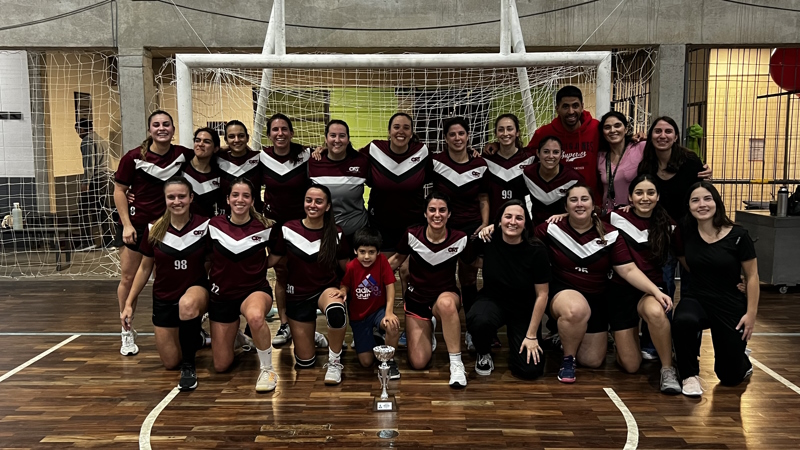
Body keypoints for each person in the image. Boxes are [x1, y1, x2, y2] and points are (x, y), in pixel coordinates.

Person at [533, 184, 671, 383]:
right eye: (573, 200)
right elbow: (525, 243)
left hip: (597, 299)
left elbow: (628, 269)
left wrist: (655, 292)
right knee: (575, 310)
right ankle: (568, 359)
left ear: (593, 205)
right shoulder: (551, 228)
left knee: (596, 361)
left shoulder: (610, 233)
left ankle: (568, 336)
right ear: (565, 205)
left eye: (584, 199)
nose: (579, 204)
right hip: (564, 293)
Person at [113, 110, 193, 356]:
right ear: (149, 130)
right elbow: (119, 191)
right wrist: (126, 224)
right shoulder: (133, 157)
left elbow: (209, 155)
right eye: (156, 125)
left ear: (173, 129)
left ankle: (181, 328)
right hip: (137, 226)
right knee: (129, 278)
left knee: (168, 279)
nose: (162, 128)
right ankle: (126, 330)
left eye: (166, 124)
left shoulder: (183, 155)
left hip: (170, 228)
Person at [119, 176, 210, 391]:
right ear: (165, 200)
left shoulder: (205, 226)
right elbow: (144, 268)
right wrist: (129, 304)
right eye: (171, 197)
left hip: (195, 291)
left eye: (181, 196)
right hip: (164, 298)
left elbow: (213, 263)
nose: (176, 201)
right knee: (170, 363)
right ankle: (194, 336)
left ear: (191, 198)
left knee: (187, 305)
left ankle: (189, 367)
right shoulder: (154, 229)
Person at [672, 181, 759, 397]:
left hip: (729, 301)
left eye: (707, 198)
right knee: (683, 320)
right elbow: (685, 260)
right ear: (689, 206)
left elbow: (752, 276)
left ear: (716, 202)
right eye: (695, 200)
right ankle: (689, 375)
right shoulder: (685, 232)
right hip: (697, 297)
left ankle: (741, 360)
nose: (702, 204)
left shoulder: (738, 235)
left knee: (729, 377)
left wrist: (751, 314)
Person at [267, 185, 350, 385]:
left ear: (328, 206)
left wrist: (345, 288)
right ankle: (316, 336)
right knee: (305, 363)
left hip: (325, 289)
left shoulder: (336, 233)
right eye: (309, 200)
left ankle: (334, 362)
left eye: (319, 201)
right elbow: (272, 261)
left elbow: (348, 268)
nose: (312, 205)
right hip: (297, 295)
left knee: (336, 311)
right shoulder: (288, 229)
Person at [606, 174, 681, 394]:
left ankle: (667, 368)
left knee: (657, 313)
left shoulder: (669, 226)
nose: (645, 198)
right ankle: (621, 340)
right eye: (639, 193)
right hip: (619, 292)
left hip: (649, 291)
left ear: (658, 197)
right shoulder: (613, 218)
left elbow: (690, 256)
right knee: (631, 366)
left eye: (650, 193)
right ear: (630, 197)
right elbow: (581, 219)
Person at [388, 192, 469, 388]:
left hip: (445, 296)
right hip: (417, 300)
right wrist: (362, 276)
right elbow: (396, 261)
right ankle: (429, 328)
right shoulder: (411, 235)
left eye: (442, 210)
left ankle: (456, 365)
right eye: (432, 210)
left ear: (449, 214)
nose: (437, 215)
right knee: (418, 362)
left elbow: (476, 265)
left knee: (447, 304)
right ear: (425, 213)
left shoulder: (460, 238)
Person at [207, 177, 278, 392]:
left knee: (256, 317)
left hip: (254, 290)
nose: (240, 200)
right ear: (227, 199)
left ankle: (267, 369)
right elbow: (206, 258)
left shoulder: (266, 226)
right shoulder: (213, 225)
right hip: (222, 295)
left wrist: (259, 267)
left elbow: (276, 255)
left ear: (253, 200)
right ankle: (237, 335)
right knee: (221, 365)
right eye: (235, 195)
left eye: (246, 195)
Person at [467, 199, 550, 379]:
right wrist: (484, 230)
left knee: (530, 371)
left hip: (523, 309)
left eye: (519, 218)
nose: (513, 222)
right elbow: (468, 258)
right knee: (479, 320)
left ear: (525, 223)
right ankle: (483, 352)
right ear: (499, 220)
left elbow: (542, 294)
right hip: (493, 300)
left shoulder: (537, 250)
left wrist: (531, 335)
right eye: (508, 217)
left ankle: (519, 345)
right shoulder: (488, 241)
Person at [428, 117, 489, 350]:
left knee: (468, 278)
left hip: (471, 228)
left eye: (461, 133)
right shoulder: (435, 162)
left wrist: (484, 223)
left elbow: (483, 197)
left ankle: (472, 330)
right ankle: (429, 325)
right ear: (445, 138)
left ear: (467, 136)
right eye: (452, 134)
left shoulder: (479, 163)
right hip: (442, 227)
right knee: (437, 277)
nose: (457, 138)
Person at [259, 114, 316, 348]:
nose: (280, 133)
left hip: (302, 224)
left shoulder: (307, 155)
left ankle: (307, 325)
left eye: (284, 129)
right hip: (274, 225)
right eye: (275, 129)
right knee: (281, 272)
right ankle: (284, 323)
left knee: (306, 274)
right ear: (269, 134)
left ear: (292, 133)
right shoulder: (261, 158)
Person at [331, 227, 400, 377]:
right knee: (366, 362)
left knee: (392, 324)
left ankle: (390, 362)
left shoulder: (382, 262)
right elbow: (346, 284)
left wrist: (389, 312)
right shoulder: (351, 267)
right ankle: (375, 338)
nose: (367, 256)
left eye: (371, 252)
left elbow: (390, 287)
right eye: (362, 252)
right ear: (355, 251)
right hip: (359, 318)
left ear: (378, 252)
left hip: (378, 311)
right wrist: (343, 291)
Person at [308, 120, 370, 248]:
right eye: (333, 135)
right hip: (324, 233)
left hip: (356, 233)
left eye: (342, 136)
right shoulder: (314, 161)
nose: (337, 140)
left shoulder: (362, 161)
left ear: (348, 139)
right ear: (326, 139)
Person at [481, 114, 536, 220]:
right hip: (494, 222)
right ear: (496, 133)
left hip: (521, 221)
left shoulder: (530, 159)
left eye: (510, 129)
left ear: (517, 132)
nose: (505, 133)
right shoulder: (486, 160)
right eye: (501, 130)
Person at [521, 136, 585, 225]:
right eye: (546, 152)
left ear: (561, 154)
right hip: (537, 229)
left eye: (555, 152)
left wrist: (565, 215)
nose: (551, 156)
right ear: (538, 153)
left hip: (565, 229)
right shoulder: (528, 173)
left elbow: (585, 208)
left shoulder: (573, 178)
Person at [597, 112, 647, 214]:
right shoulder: (600, 156)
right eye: (607, 127)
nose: (612, 130)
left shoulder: (640, 147)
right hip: (609, 215)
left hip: (634, 213)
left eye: (617, 125)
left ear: (626, 129)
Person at [75, 118, 111, 250]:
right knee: (103, 209)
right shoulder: (101, 139)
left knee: (83, 208)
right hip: (105, 177)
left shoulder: (87, 141)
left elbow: (89, 164)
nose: (78, 134)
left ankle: (87, 241)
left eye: (78, 130)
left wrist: (86, 182)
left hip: (95, 180)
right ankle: (109, 240)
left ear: (83, 129)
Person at [217, 121, 264, 214]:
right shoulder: (217, 159)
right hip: (226, 219)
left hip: (255, 217)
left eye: (241, 136)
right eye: (231, 136)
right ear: (226, 140)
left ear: (247, 138)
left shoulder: (259, 158)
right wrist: (218, 149)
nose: (237, 140)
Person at [182, 127, 222, 217]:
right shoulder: (181, 167)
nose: (200, 144)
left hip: (205, 226)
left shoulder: (218, 175)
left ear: (215, 148)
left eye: (206, 142)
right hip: (180, 226)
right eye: (197, 140)